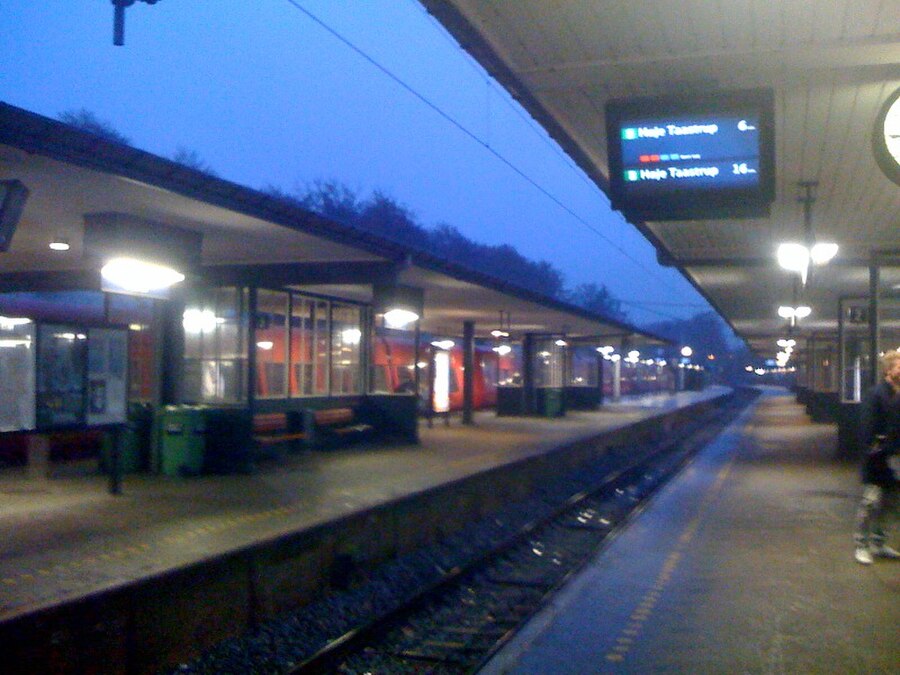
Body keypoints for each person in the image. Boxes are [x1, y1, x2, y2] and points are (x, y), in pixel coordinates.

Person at [854, 350, 900, 564]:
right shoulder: (876, 394)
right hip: (878, 457)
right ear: (889, 370)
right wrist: (873, 448)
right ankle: (861, 545)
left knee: (891, 502)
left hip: (896, 456)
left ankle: (878, 542)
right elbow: (866, 426)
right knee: (871, 502)